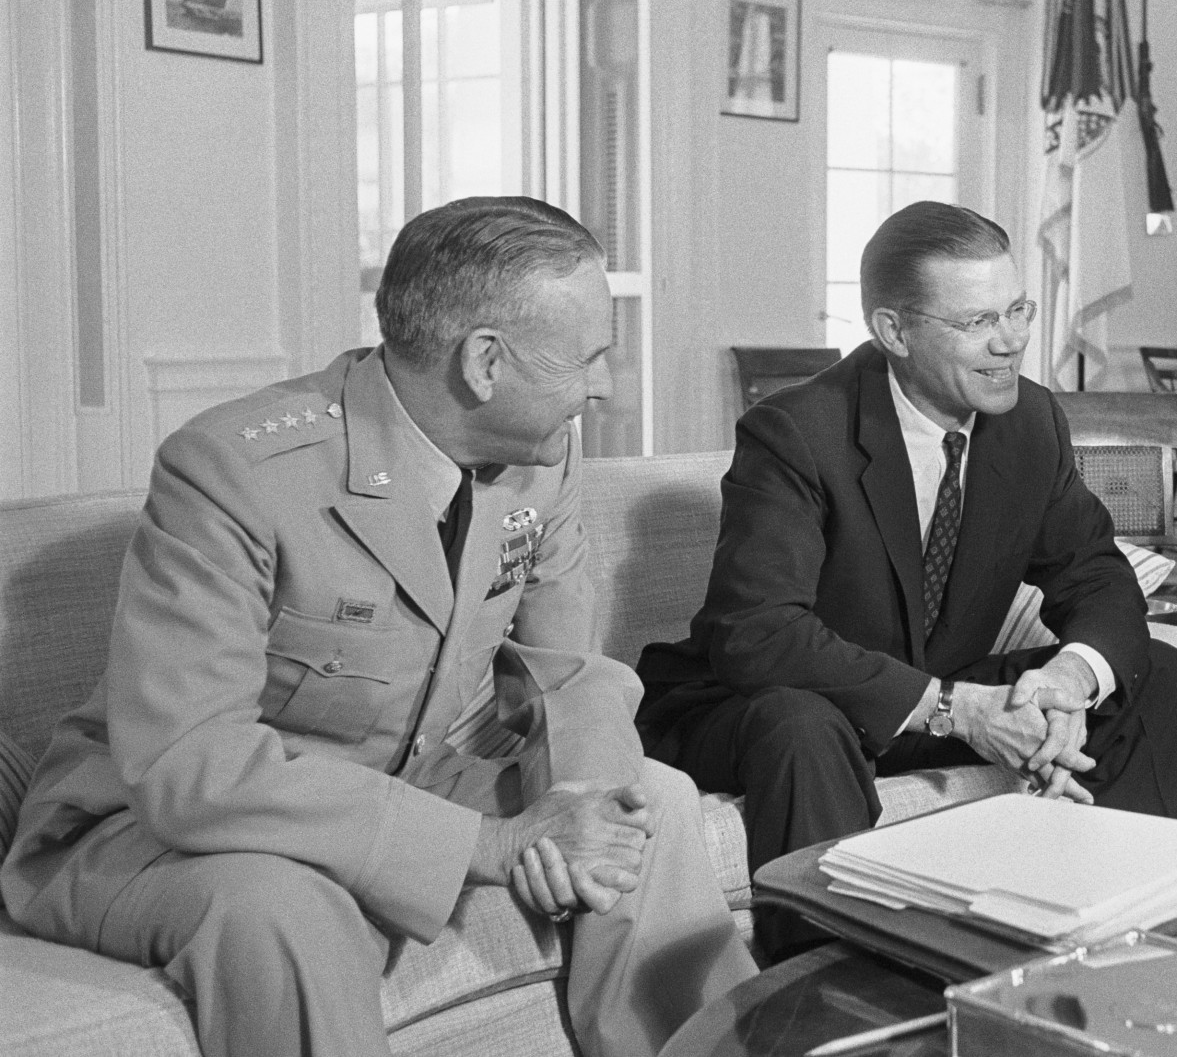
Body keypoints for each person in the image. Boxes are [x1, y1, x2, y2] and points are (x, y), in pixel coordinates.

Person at [1, 197, 756, 1057]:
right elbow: (189, 764)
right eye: (589, 357)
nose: (603, 386)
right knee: (285, 911)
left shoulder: (542, 461)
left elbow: (566, 671)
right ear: (484, 362)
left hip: (413, 776)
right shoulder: (232, 471)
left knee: (645, 801)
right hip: (160, 821)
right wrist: (492, 840)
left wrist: (577, 807)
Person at [637, 200, 1177, 955]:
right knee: (801, 725)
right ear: (894, 331)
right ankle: (832, 1005)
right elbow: (757, 632)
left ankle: (1153, 949)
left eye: (1018, 310)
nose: (1010, 343)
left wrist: (1071, 678)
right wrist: (954, 709)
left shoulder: (1029, 421)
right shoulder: (798, 431)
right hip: (783, 703)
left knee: (1158, 675)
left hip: (929, 689)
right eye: (976, 323)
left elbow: (1095, 574)